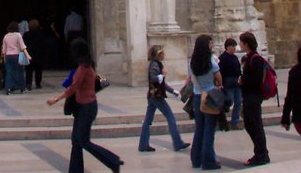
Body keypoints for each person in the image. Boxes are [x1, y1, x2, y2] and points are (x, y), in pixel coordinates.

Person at [47, 41, 123, 173]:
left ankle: (113, 161)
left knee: (83, 141)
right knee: (76, 140)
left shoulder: (83, 68)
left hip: (87, 108)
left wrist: (56, 99)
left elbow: (73, 88)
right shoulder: (88, 65)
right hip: (83, 107)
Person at [138, 44, 189, 153]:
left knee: (147, 120)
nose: (164, 55)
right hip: (156, 96)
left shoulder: (156, 64)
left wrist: (173, 91)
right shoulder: (155, 65)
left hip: (153, 95)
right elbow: (153, 79)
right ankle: (177, 142)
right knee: (170, 117)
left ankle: (143, 144)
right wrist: (162, 76)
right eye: (162, 53)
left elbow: (162, 84)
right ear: (159, 54)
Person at [189, 33, 222, 171]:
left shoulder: (192, 63)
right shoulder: (211, 63)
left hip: (197, 96)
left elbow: (192, 79)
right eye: (210, 43)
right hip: (209, 97)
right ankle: (208, 161)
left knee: (199, 129)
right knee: (209, 130)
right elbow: (219, 80)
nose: (211, 45)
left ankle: (196, 159)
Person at [239, 30, 270, 166]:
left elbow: (256, 79)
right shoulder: (249, 58)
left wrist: (243, 80)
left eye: (241, 42)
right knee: (251, 125)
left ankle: (262, 154)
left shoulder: (255, 59)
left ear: (246, 44)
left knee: (255, 125)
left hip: (254, 96)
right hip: (249, 96)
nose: (239, 44)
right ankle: (260, 153)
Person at [0, 21, 30, 95]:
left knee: (9, 73)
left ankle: (8, 89)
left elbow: (4, 49)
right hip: (17, 55)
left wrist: (4, 58)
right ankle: (22, 88)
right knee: (20, 72)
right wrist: (27, 55)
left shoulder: (6, 36)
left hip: (8, 56)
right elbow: (22, 46)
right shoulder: (18, 35)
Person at [219, 38, 242, 129]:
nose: (234, 48)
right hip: (228, 83)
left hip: (236, 82)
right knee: (229, 100)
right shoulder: (222, 58)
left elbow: (238, 69)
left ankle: (235, 122)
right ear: (228, 47)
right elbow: (220, 71)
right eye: (233, 46)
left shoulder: (235, 57)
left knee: (238, 101)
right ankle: (222, 119)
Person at [23, 19, 47, 90]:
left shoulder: (26, 35)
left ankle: (28, 84)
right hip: (38, 55)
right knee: (38, 70)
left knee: (29, 70)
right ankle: (38, 83)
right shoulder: (41, 35)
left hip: (29, 54)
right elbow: (44, 46)